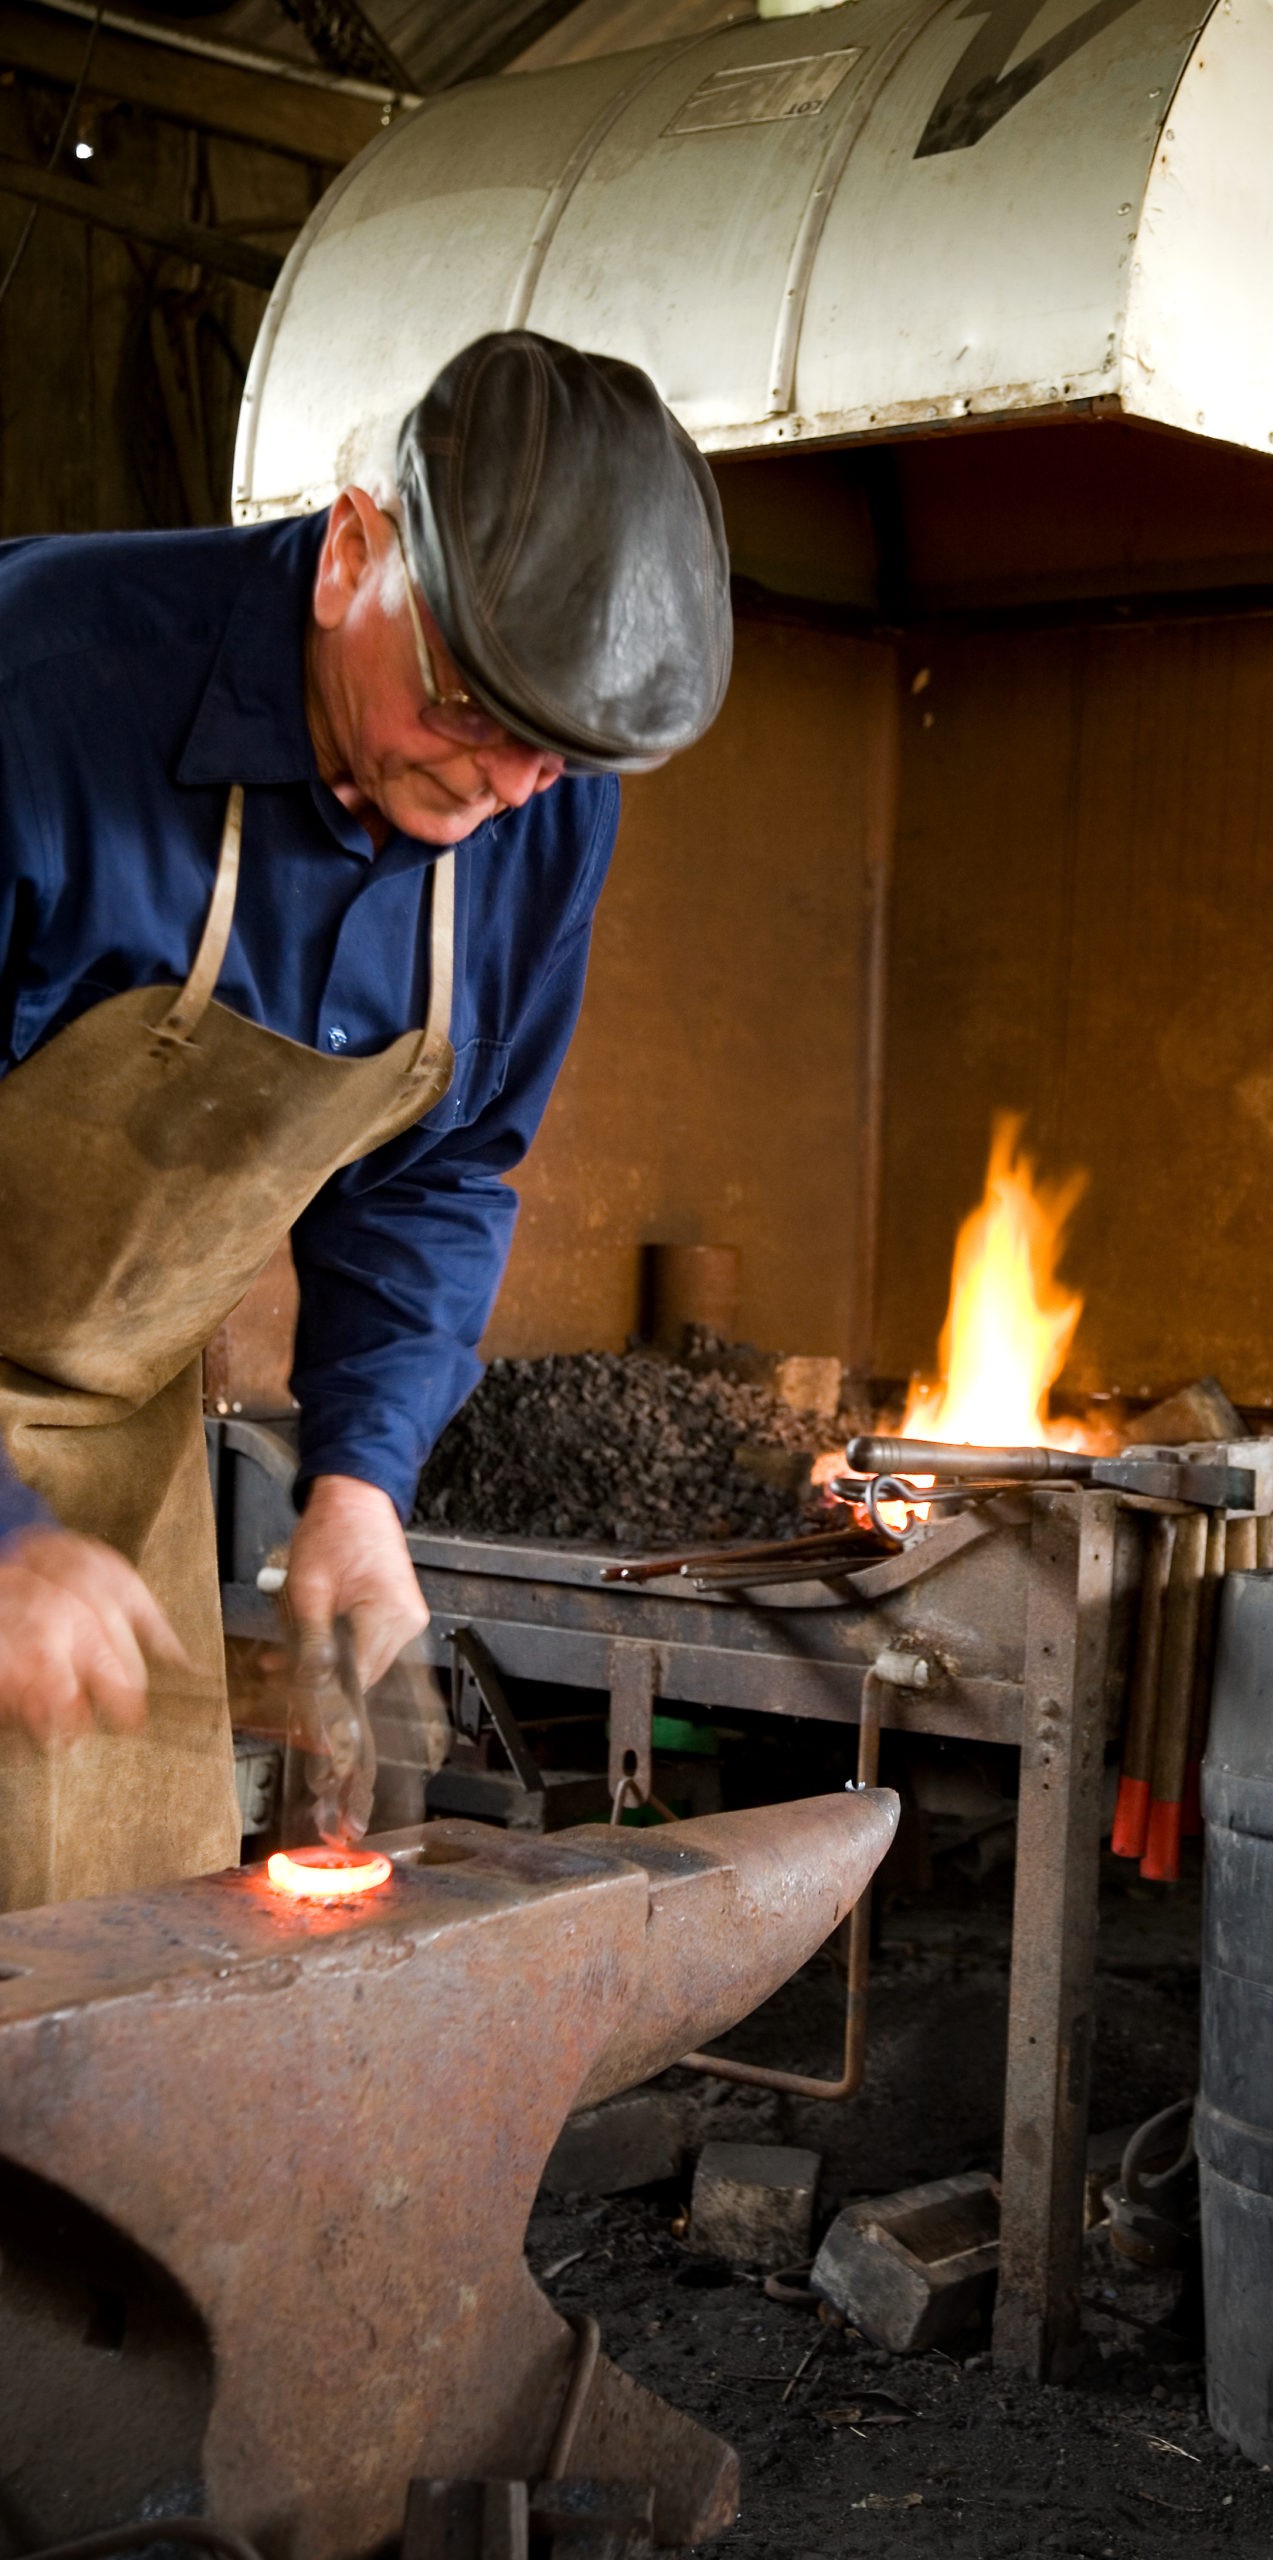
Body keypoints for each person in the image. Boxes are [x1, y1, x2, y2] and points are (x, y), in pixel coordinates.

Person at [0, 328, 731, 1909]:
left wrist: (360, 1484)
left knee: (107, 1980)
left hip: (111, 1462)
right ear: (352, 551)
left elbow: (438, 1165)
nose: (510, 783)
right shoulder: (41, 693)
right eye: (470, 707)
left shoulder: (538, 795)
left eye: (563, 753)